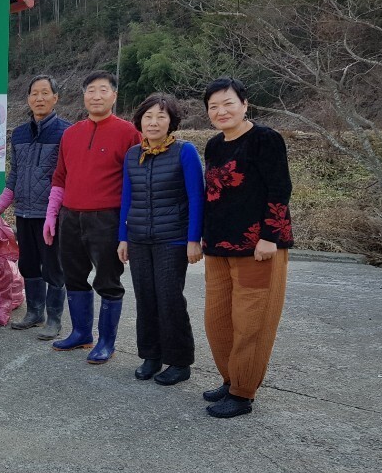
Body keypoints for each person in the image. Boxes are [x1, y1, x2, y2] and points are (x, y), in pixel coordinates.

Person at [200, 77, 293, 418]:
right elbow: (212, 197)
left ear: (244, 104)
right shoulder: (213, 145)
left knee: (251, 320)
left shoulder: (265, 139)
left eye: (227, 103)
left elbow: (279, 188)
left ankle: (242, 392)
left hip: (259, 247)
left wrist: (270, 236)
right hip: (219, 247)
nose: (221, 111)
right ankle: (230, 378)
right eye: (213, 107)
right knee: (218, 320)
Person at [44, 71, 141, 361]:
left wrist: (128, 225)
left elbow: (135, 181)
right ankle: (80, 333)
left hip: (107, 218)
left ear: (114, 95)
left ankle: (106, 342)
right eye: (90, 91)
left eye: (102, 90)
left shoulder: (128, 133)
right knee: (73, 275)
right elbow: (60, 177)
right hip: (71, 217)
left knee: (108, 279)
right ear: (83, 96)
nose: (96, 96)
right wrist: (52, 215)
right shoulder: (71, 134)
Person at [117, 94, 204, 386]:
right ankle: (151, 356)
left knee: (169, 299)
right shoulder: (132, 154)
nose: (154, 122)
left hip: (173, 239)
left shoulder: (185, 151)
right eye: (148, 117)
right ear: (140, 120)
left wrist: (194, 239)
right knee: (145, 298)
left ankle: (180, 362)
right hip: (139, 239)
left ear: (172, 122)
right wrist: (123, 237)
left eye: (161, 117)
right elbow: (126, 199)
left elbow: (196, 197)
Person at [0, 75, 70, 339]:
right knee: (29, 264)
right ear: (28, 99)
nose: (40, 98)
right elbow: (15, 175)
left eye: (45, 93)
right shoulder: (20, 134)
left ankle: (54, 319)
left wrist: (58, 211)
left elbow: (68, 175)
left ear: (56, 98)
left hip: (50, 214)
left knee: (53, 266)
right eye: (35, 93)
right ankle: (35, 312)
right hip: (23, 211)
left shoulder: (67, 132)